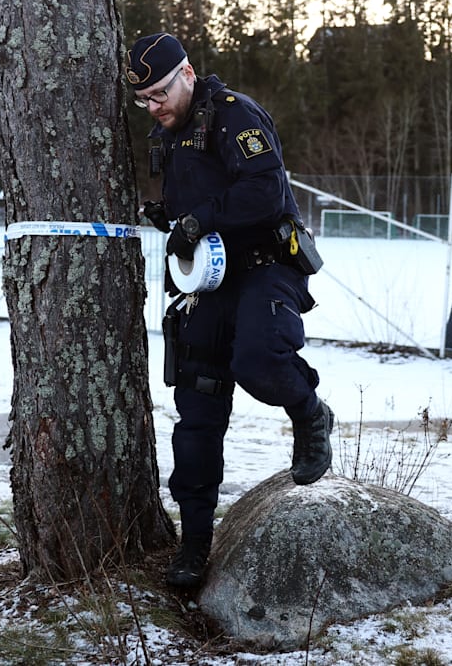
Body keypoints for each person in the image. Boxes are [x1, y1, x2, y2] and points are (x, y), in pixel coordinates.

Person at [125, 32, 334, 589]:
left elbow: (264, 194)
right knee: (196, 416)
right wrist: (170, 216)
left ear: (187, 74)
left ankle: (310, 414)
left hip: (265, 267)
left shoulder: (233, 116)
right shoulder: (169, 136)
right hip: (207, 282)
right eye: (143, 99)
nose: (154, 106)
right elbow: (192, 204)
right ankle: (194, 546)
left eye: (159, 93)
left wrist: (202, 218)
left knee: (261, 362)